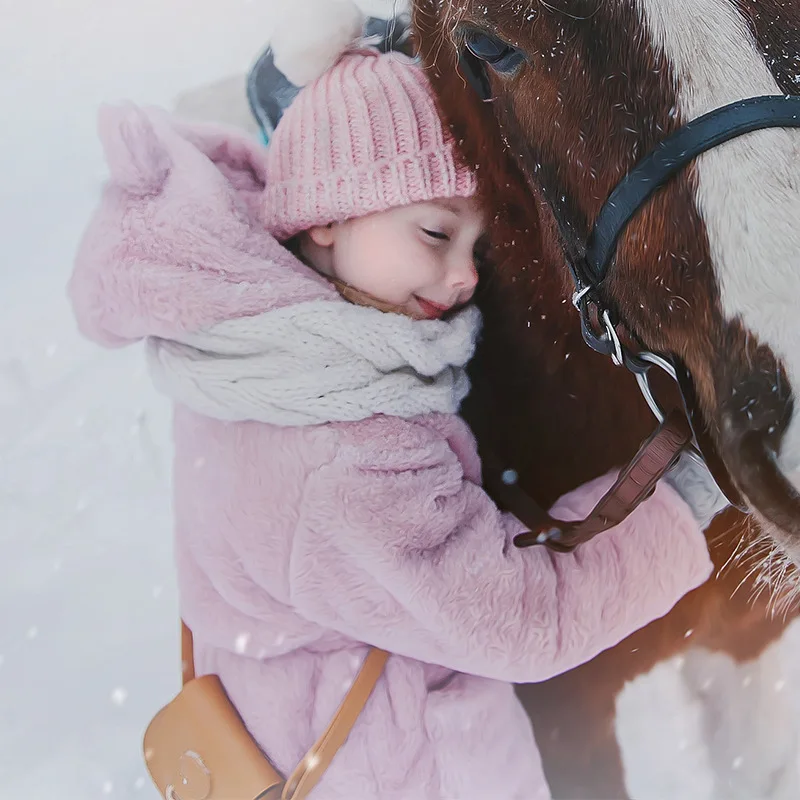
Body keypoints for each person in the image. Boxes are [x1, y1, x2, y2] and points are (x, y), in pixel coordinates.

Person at [69, 49, 720, 799]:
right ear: (327, 218)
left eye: (477, 246)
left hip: (302, 739)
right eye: (436, 235)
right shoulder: (346, 460)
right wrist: (683, 497)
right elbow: (527, 618)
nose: (467, 275)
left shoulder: (252, 345)